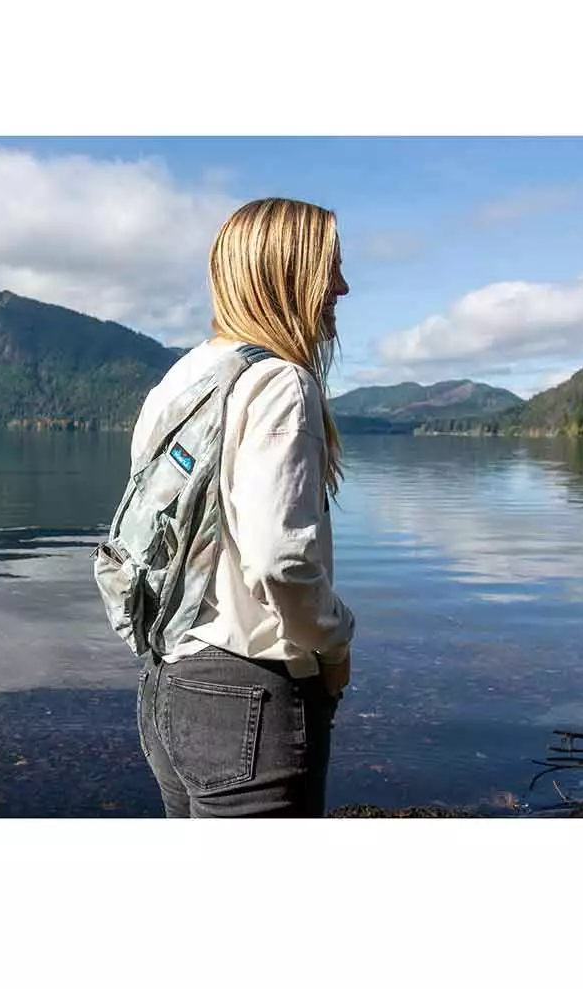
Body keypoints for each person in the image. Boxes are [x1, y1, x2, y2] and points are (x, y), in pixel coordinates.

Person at [132, 197, 356, 817]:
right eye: (329, 268)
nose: (341, 287)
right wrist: (335, 644)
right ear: (286, 274)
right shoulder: (281, 384)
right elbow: (281, 560)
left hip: (166, 680)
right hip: (249, 694)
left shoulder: (180, 380)